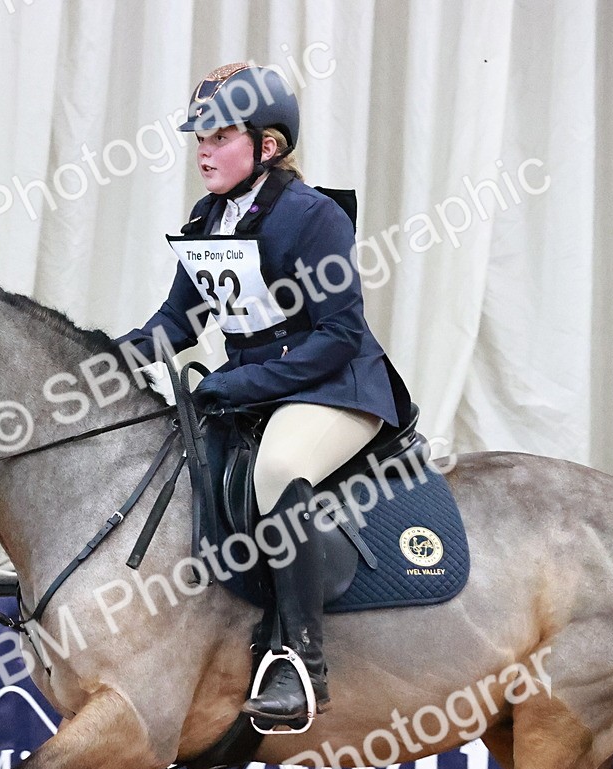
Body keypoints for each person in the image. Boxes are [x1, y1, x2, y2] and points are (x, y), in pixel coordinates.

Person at [118, 63, 412, 725]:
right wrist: (111, 358)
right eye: (198, 138)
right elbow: (179, 320)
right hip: (254, 390)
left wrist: (241, 382)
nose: (201, 150)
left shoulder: (313, 218)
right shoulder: (206, 218)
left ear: (267, 146)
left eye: (217, 136)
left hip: (336, 386)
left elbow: (339, 334)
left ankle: (302, 663)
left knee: (279, 468)